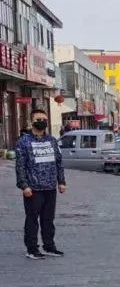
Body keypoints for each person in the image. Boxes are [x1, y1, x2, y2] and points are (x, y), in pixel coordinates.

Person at [16, 108, 67, 260]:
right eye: (39, 119)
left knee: (48, 220)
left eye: (44, 120)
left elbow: (58, 162)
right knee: (32, 220)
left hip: (50, 187)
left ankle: (49, 246)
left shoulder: (51, 140)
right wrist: (24, 185)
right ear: (31, 121)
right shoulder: (23, 142)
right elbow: (20, 166)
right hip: (33, 189)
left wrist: (61, 182)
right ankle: (32, 249)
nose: (42, 122)